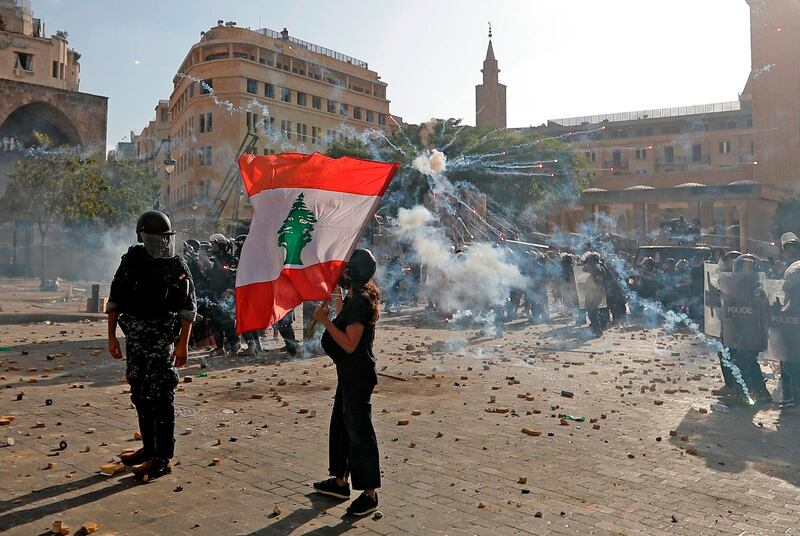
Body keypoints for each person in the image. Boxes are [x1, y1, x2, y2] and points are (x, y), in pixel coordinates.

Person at [107, 210, 196, 481]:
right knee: (140, 394)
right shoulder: (132, 260)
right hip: (135, 341)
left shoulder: (177, 265)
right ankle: (148, 449)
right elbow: (115, 299)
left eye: (164, 238)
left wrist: (183, 345)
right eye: (155, 237)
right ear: (143, 237)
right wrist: (111, 336)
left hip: (161, 343)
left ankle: (163, 458)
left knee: (162, 398)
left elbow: (187, 309)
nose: (161, 243)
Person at [312, 249, 382, 516]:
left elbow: (350, 343)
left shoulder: (361, 302)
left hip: (357, 375)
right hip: (349, 373)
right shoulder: (357, 296)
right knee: (341, 425)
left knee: (359, 432)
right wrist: (336, 299)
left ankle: (370, 493)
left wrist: (324, 322)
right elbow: (346, 317)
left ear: (352, 272)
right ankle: (340, 482)